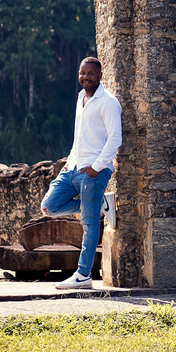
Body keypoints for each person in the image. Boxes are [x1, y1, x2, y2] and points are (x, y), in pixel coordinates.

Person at [41, 56, 122, 290]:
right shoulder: (80, 98)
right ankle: (101, 205)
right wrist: (69, 160)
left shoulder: (108, 102)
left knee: (88, 223)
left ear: (100, 76)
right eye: (82, 73)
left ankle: (83, 275)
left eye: (90, 73)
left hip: (93, 170)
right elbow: (81, 134)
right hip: (73, 167)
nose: (85, 77)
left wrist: (97, 167)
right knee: (49, 207)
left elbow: (115, 138)